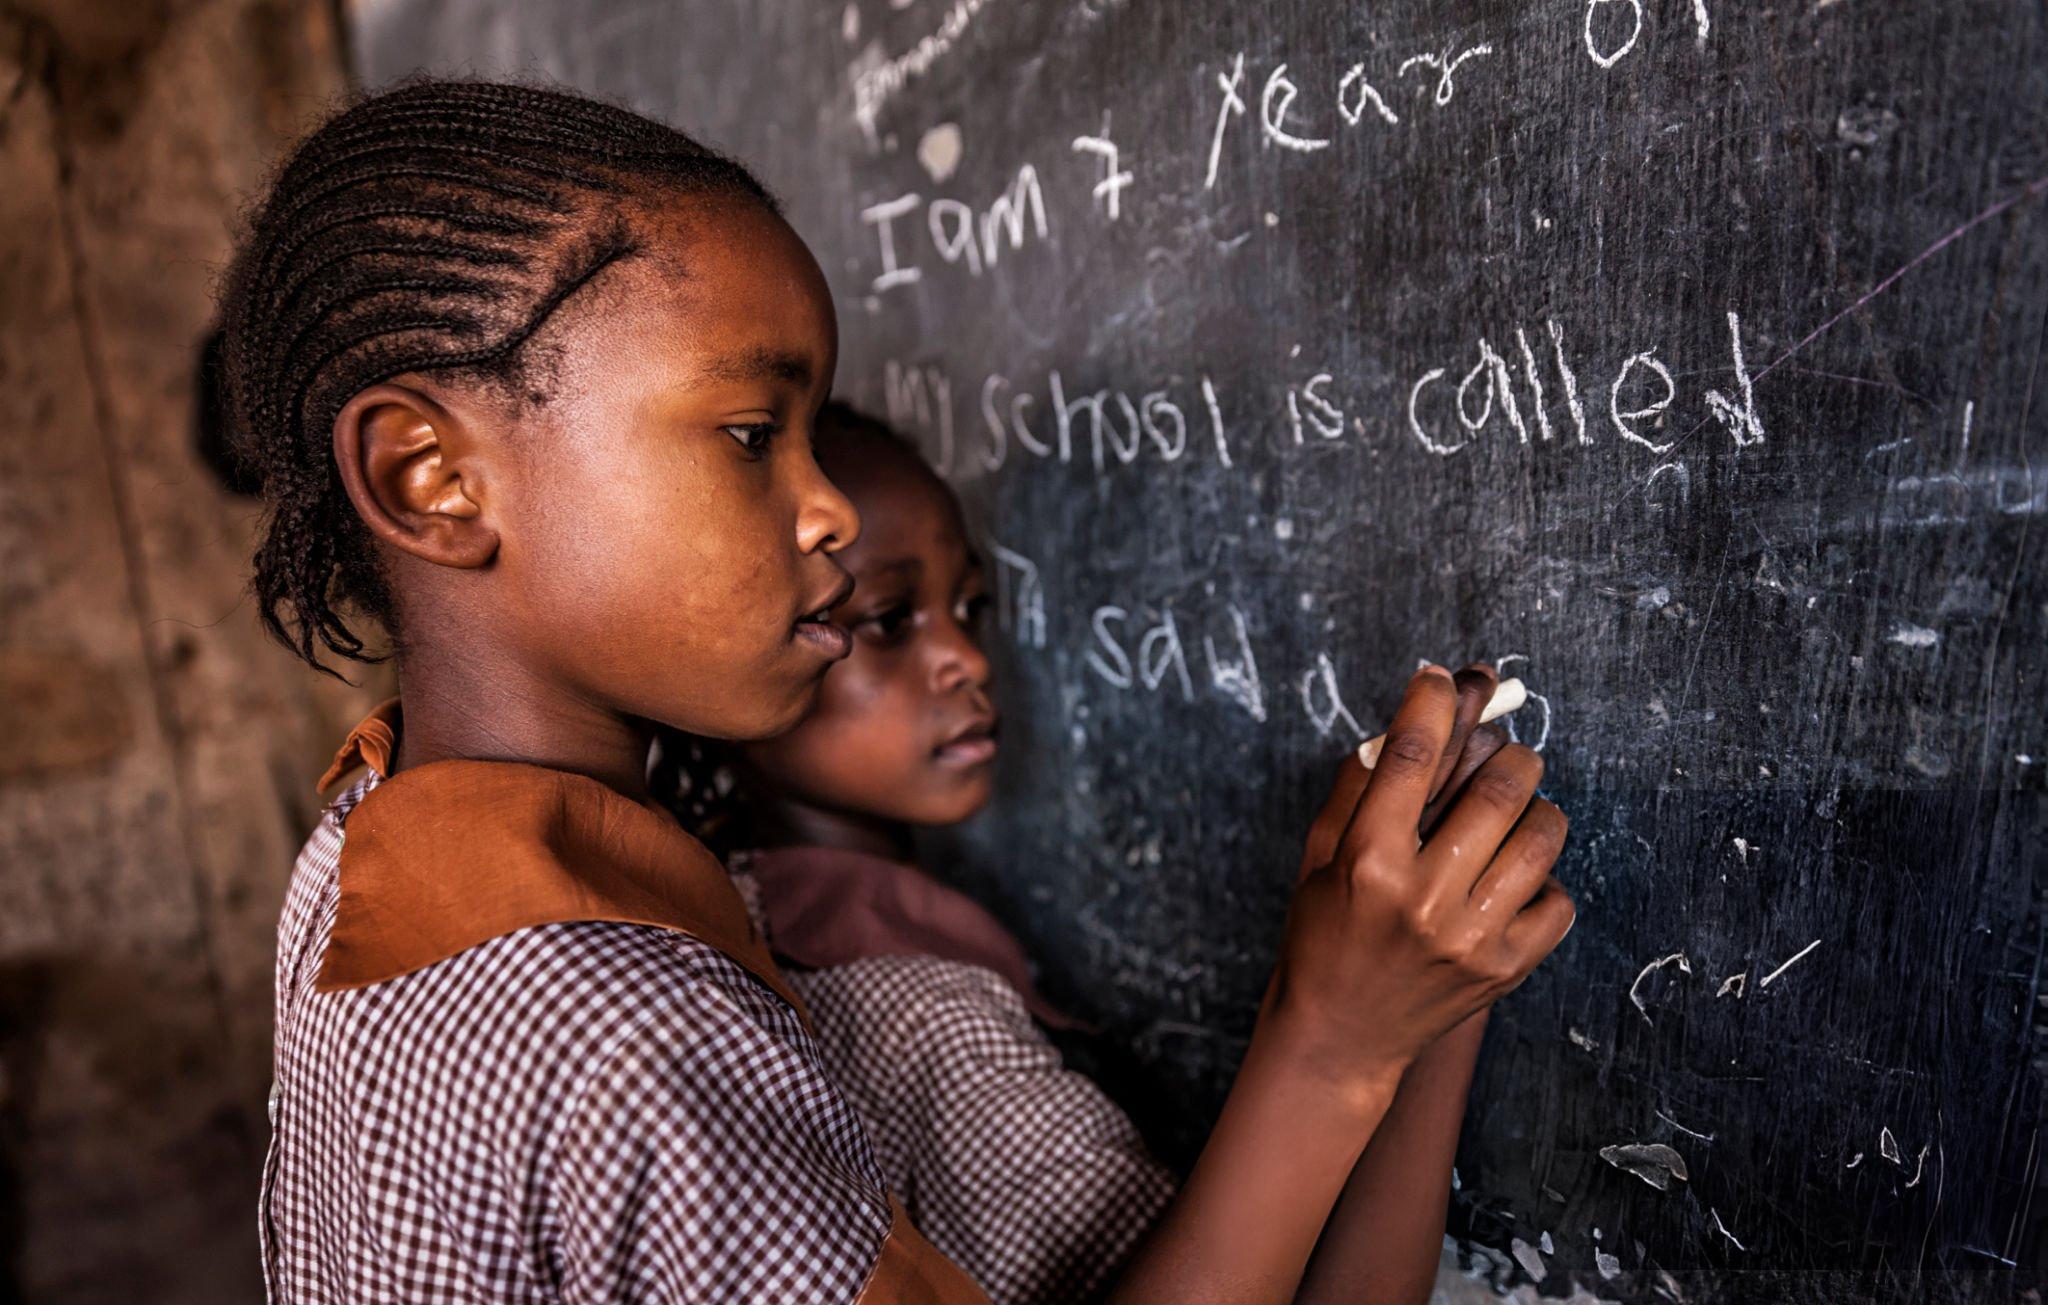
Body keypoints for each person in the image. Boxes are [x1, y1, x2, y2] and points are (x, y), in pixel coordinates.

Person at [227, 78, 1574, 1303]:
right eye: (750, 434)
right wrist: (1333, 1044)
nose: (823, 509)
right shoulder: (642, 1038)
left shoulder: (367, 850)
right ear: (429, 478)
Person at [675, 404, 1538, 1304]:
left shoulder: (747, 909)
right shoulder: (918, 1017)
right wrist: (1378, 1030)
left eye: (970, 608)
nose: (967, 658)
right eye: (891, 618)